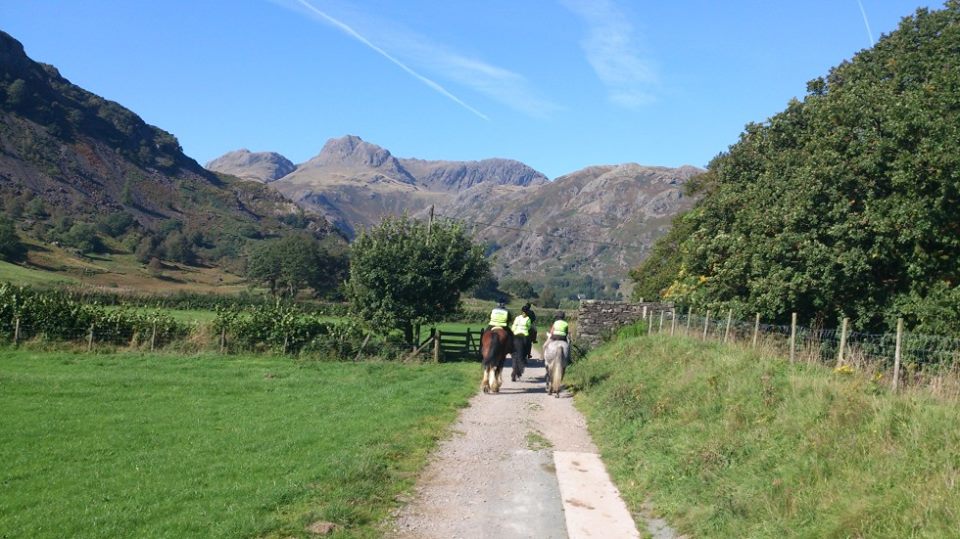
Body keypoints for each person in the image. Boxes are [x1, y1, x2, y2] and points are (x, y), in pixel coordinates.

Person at [510, 306, 532, 381]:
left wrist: (513, 331)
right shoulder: (528, 318)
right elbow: (529, 327)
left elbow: (514, 325)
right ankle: (528, 353)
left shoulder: (517, 317)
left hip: (516, 334)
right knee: (529, 343)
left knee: (514, 353)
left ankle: (510, 350)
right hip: (525, 335)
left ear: (521, 311)